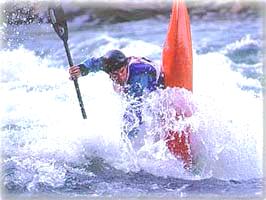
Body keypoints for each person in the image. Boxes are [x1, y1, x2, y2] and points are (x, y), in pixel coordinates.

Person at [69, 49, 165, 138]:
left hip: (156, 85)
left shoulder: (138, 77)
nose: (120, 77)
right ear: (108, 72)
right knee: (119, 88)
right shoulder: (106, 64)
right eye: (115, 74)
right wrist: (80, 70)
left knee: (136, 111)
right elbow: (93, 63)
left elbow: (134, 112)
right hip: (131, 82)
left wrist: (127, 140)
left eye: (122, 72)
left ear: (126, 66)